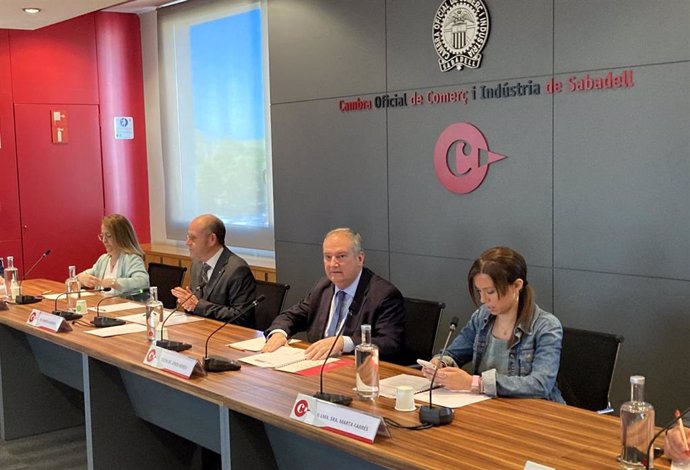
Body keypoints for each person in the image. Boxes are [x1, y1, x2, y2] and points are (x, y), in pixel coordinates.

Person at [421, 246, 564, 402]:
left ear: (517, 285)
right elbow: (454, 354)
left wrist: (475, 383)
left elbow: (540, 385)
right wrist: (440, 364)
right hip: (490, 407)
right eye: (479, 291)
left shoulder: (546, 326)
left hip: (535, 414)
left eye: (490, 292)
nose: (483, 300)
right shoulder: (482, 316)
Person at [262, 228, 405, 361]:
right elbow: (290, 316)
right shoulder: (324, 287)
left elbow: (390, 344)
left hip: (357, 370)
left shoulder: (383, 295)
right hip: (317, 366)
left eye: (341, 256)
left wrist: (344, 342)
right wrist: (279, 333)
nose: (333, 264)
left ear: (360, 259)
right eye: (328, 257)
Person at [171, 214, 256, 327]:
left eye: (193, 238)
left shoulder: (237, 269)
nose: (187, 242)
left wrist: (198, 306)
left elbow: (241, 316)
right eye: (187, 237)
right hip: (200, 330)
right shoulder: (197, 263)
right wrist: (187, 303)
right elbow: (194, 305)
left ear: (212, 239)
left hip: (227, 335)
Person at [77, 214, 149, 294]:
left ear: (121, 237)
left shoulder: (131, 258)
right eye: (102, 236)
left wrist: (114, 283)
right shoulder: (103, 259)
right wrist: (81, 278)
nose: (104, 240)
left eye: (108, 236)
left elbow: (143, 281)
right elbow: (72, 281)